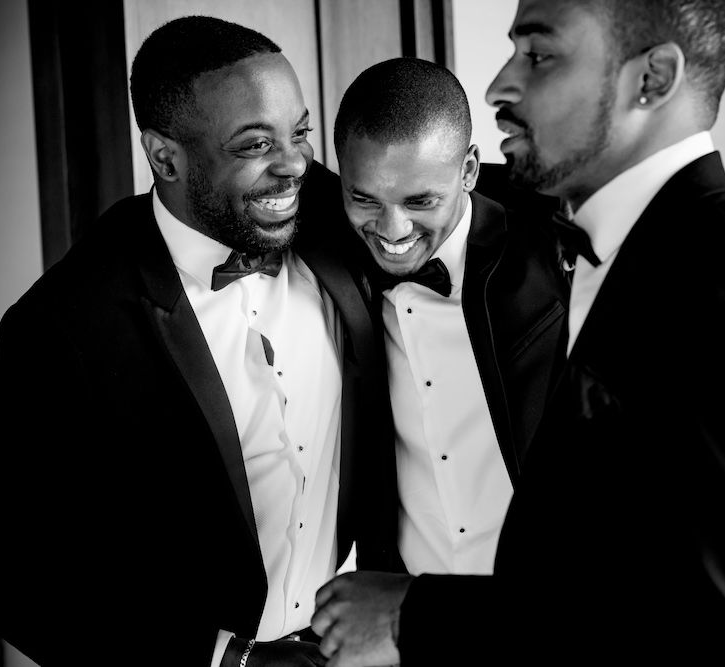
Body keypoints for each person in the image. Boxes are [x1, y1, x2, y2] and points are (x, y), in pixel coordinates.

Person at [311, 0, 725, 663]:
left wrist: (412, 616)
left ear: (650, 79)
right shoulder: (614, 244)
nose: (499, 84)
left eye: (537, 55)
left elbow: (686, 608)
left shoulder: (705, 271)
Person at [0, 16, 395, 667]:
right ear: (165, 157)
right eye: (254, 144)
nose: (293, 163)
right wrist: (226, 658)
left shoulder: (332, 211)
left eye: (299, 131)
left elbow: (444, 186)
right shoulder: (63, 327)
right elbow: (23, 580)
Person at [329, 57, 567, 583]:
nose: (392, 230)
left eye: (420, 201)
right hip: (405, 620)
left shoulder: (553, 244)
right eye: (364, 198)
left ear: (468, 170)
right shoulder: (329, 258)